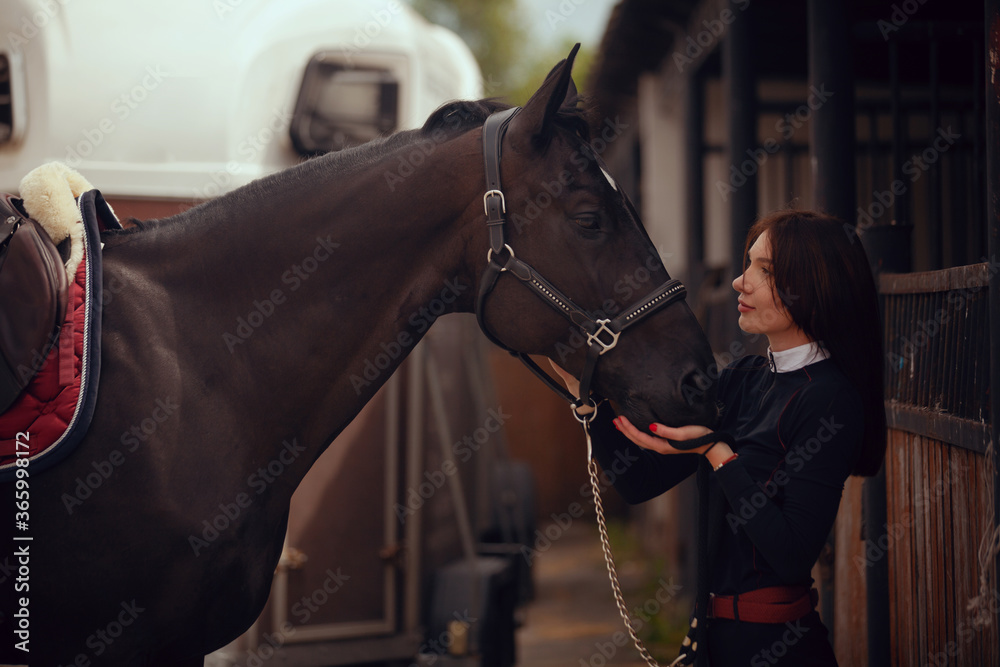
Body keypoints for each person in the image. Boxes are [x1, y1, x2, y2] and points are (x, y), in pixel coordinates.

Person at [552, 210, 886, 665]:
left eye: (764, 270)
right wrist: (589, 401)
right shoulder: (745, 377)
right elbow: (640, 481)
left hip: (776, 647)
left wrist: (718, 453)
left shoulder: (830, 400)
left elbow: (790, 555)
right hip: (709, 642)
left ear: (810, 286)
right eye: (748, 264)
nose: (739, 282)